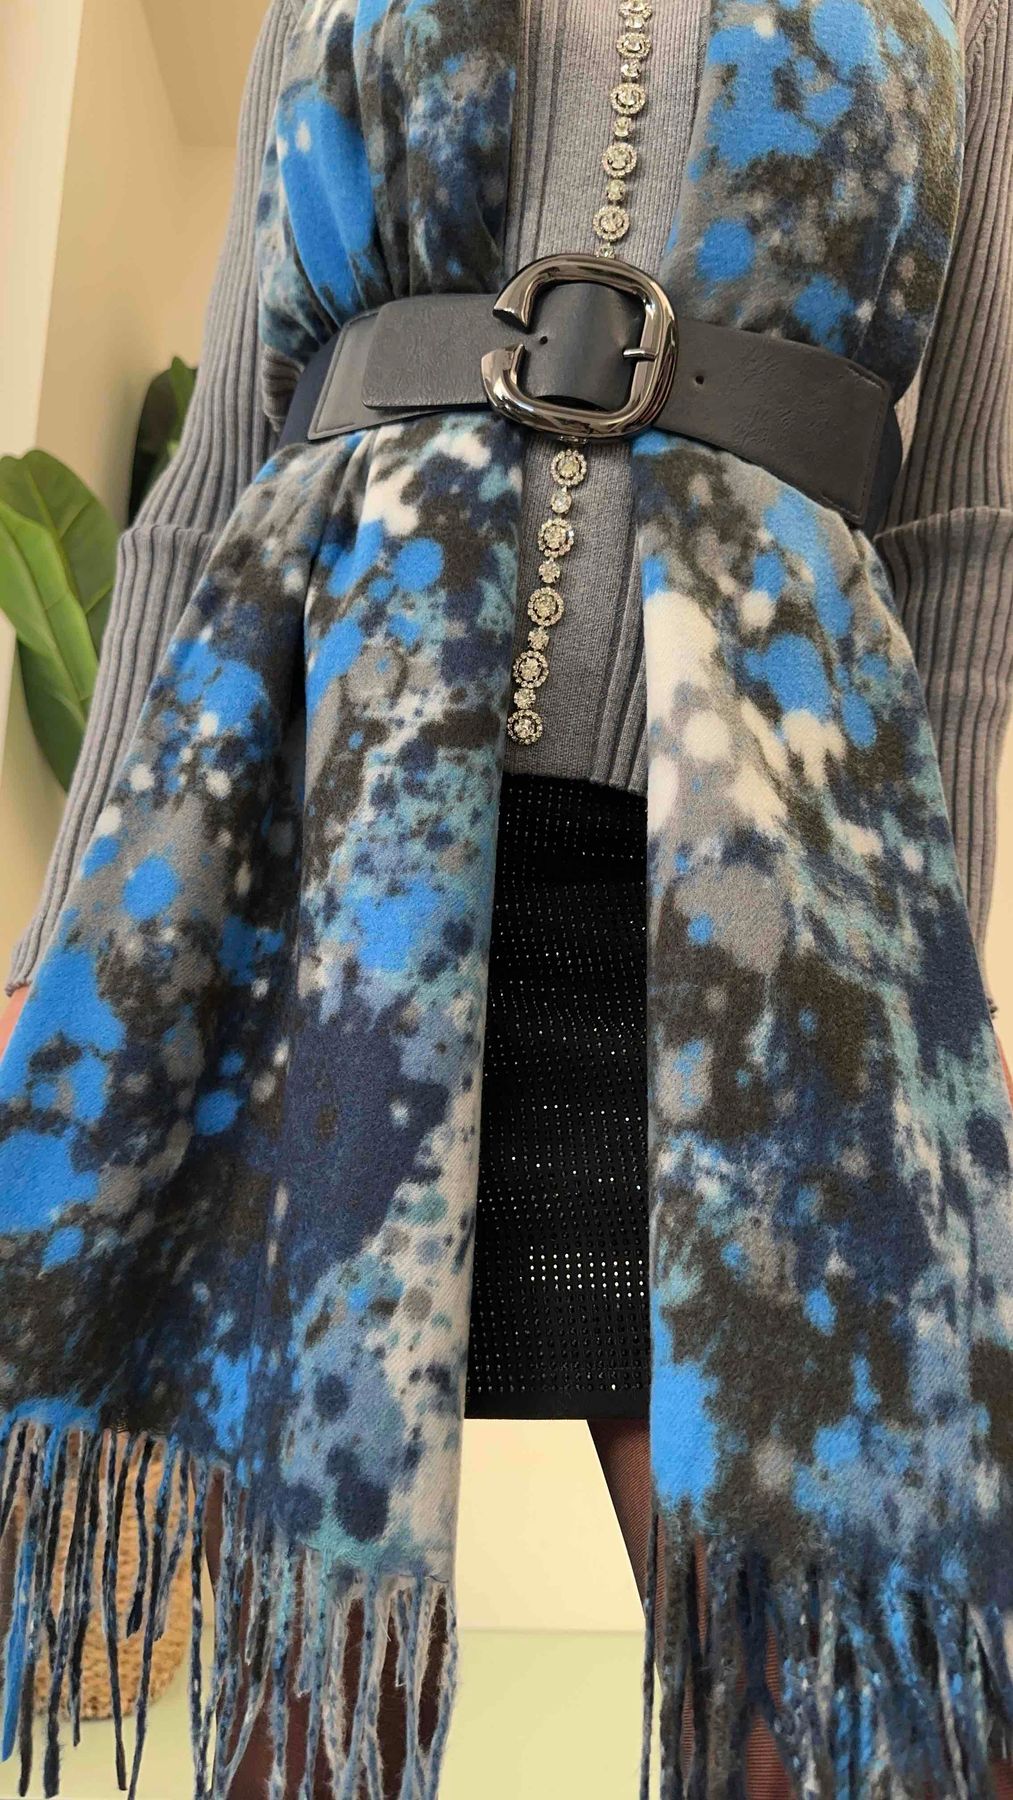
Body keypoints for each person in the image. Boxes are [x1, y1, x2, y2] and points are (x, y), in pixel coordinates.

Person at [2, 2, 1012, 1795]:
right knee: (305, 1673)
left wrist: (934, 992)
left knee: (840, 1696)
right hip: (317, 859)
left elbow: (962, 537)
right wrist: (58, 945)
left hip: (761, 906)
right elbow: (208, 481)